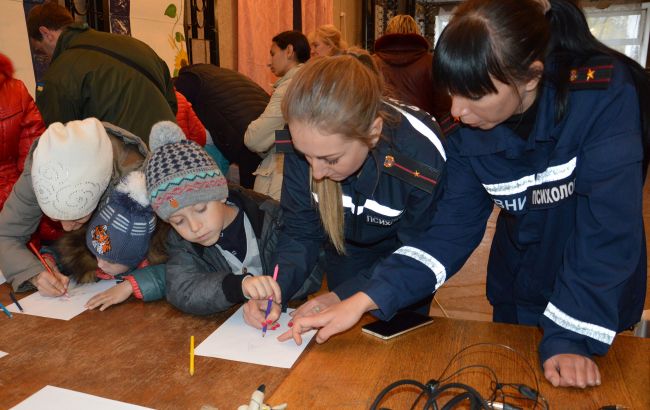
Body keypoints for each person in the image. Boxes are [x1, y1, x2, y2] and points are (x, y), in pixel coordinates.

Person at [282, 0, 649, 390]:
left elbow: (606, 230)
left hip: (593, 297)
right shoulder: (468, 134)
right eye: (452, 93)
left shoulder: (602, 97)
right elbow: (445, 236)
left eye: (473, 95)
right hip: (520, 283)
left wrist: (572, 337)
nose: (457, 111)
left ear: (529, 77)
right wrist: (362, 299)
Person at [242, 55, 446, 329]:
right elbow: (301, 230)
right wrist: (277, 290)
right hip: (344, 246)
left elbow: (420, 247)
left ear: (373, 133)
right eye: (306, 157)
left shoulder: (419, 153)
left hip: (406, 256)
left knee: (401, 338)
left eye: (331, 159)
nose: (315, 173)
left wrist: (346, 296)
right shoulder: (302, 139)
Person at [144, 121, 284, 315]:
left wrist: (278, 290)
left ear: (221, 194)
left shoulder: (270, 216)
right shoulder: (180, 242)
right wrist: (237, 287)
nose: (194, 227)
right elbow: (182, 289)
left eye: (201, 209)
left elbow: (310, 265)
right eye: (178, 221)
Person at [0, 117, 149, 295]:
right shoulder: (40, 170)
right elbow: (5, 234)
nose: (66, 227)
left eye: (78, 218)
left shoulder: (137, 180)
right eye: (55, 218)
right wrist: (34, 273)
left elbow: (168, 252)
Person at [27, 2, 177, 142]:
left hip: (125, 163)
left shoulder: (59, 74)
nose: (46, 57)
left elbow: (63, 140)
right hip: (170, 153)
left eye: (41, 50)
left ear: (46, 33)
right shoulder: (137, 46)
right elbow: (171, 103)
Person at [174, 64, 270, 188]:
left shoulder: (187, 81)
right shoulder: (218, 73)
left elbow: (196, 134)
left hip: (245, 135)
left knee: (254, 195)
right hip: (266, 125)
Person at [245, 31, 310, 200]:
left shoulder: (289, 88)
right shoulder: (312, 80)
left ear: (289, 51)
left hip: (281, 180)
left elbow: (254, 139)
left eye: (273, 53)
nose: (269, 62)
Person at [373, 15, 451, 119]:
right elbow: (443, 108)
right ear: (416, 32)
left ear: (388, 33)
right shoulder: (431, 63)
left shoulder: (372, 62)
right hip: (422, 129)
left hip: (381, 130)